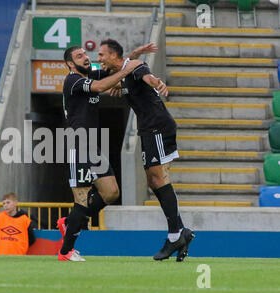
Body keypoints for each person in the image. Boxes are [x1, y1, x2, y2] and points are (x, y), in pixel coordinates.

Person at [97, 38, 195, 261]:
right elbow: (127, 62)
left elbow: (145, 75)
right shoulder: (125, 68)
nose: (99, 59)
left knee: (159, 179)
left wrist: (156, 82)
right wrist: (135, 55)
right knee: (153, 181)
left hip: (158, 127)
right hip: (149, 129)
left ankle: (175, 235)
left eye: (102, 55)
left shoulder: (136, 67)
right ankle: (180, 232)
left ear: (113, 55)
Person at [56, 45, 147, 262]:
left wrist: (133, 57)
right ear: (70, 64)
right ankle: (65, 252)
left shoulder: (91, 74)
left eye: (86, 55)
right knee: (83, 198)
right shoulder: (73, 80)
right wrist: (123, 75)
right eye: (80, 56)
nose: (86, 58)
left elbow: (112, 72)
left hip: (92, 147)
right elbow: (99, 86)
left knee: (111, 192)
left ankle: (70, 223)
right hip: (77, 145)